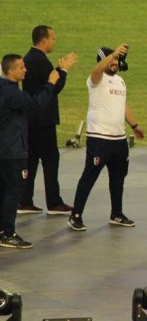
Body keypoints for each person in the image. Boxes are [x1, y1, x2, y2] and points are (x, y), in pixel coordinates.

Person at [67, 45, 144, 232]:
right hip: (99, 138)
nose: (115, 63)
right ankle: (75, 215)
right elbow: (96, 70)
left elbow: (123, 106)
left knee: (118, 178)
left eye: (117, 61)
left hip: (119, 139)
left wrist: (134, 125)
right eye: (112, 60)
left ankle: (116, 213)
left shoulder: (120, 82)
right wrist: (112, 54)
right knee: (89, 176)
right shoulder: (95, 79)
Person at [0, 54, 60, 248]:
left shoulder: (6, 90)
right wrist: (50, 84)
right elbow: (35, 105)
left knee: (5, 190)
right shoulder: (11, 93)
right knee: (13, 190)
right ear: (10, 71)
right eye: (21, 67)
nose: (25, 70)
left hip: (6, 148)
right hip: (12, 151)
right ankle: (7, 232)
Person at [19, 25, 77, 215]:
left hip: (31, 119)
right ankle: (54, 203)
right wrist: (65, 71)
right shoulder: (40, 61)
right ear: (44, 40)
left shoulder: (31, 58)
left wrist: (58, 68)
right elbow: (54, 86)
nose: (54, 41)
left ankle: (24, 200)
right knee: (51, 159)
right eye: (52, 38)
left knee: (32, 159)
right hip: (43, 120)